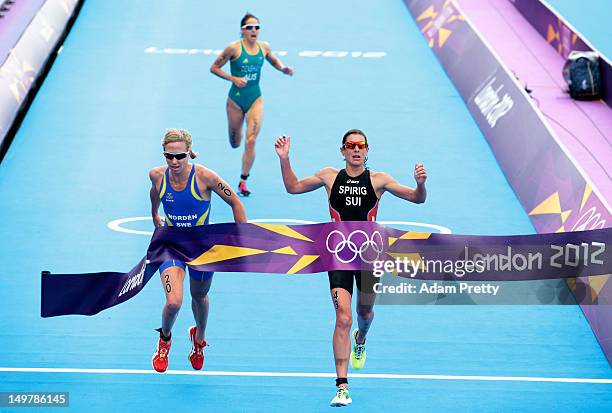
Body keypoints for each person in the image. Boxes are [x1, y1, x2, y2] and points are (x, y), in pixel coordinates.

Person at [274, 129, 427, 407]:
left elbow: (417, 198)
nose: (356, 150)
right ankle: (342, 386)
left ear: (367, 150)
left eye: (361, 146)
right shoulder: (329, 176)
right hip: (339, 255)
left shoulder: (379, 180)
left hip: (370, 256)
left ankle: (362, 338)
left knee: (364, 313)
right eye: (350, 146)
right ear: (342, 151)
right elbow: (292, 187)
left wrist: (421, 184)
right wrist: (285, 159)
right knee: (343, 317)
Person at [149, 128, 246, 373]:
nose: (174, 162)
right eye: (168, 156)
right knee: (174, 302)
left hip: (202, 248)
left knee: (199, 296)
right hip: (171, 244)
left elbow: (235, 201)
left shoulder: (206, 177)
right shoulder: (156, 176)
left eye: (179, 156)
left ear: (189, 154)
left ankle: (198, 339)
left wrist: (245, 237)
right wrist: (154, 214)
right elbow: (155, 194)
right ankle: (165, 340)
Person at [210, 12, 294, 197]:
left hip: (255, 98)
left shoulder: (264, 47)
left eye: (257, 27)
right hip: (235, 100)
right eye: (249, 27)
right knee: (235, 142)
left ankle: (243, 180)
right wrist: (233, 78)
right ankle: (236, 132)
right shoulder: (233, 48)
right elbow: (214, 67)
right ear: (242, 31)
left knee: (252, 140)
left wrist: (282, 68)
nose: (254, 30)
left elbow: (271, 58)